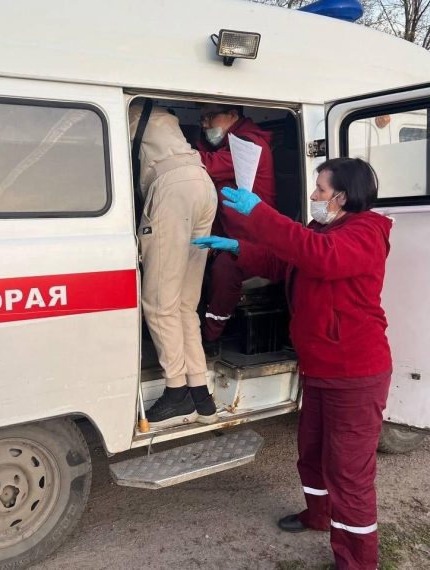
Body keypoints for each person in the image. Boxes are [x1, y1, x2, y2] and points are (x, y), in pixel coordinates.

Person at [191, 158, 392, 570]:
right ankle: (318, 516)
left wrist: (261, 215)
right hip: (319, 367)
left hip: (355, 373)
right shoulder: (323, 228)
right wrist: (239, 249)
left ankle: (357, 562)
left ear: (342, 195)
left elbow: (320, 258)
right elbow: (284, 262)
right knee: (312, 453)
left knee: (349, 474)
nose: (314, 195)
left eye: (320, 189)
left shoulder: (366, 232)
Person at [128, 104, 218, 428]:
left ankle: (176, 394)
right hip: (203, 185)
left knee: (158, 303)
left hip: (172, 188)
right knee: (183, 304)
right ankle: (201, 397)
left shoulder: (130, 110)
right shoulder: (164, 117)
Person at [194, 103, 278, 344]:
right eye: (202, 118)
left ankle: (211, 336)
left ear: (233, 115)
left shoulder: (248, 145)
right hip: (231, 234)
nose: (205, 123)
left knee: (225, 269)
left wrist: (177, 153)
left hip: (256, 240)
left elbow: (208, 165)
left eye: (210, 116)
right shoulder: (224, 144)